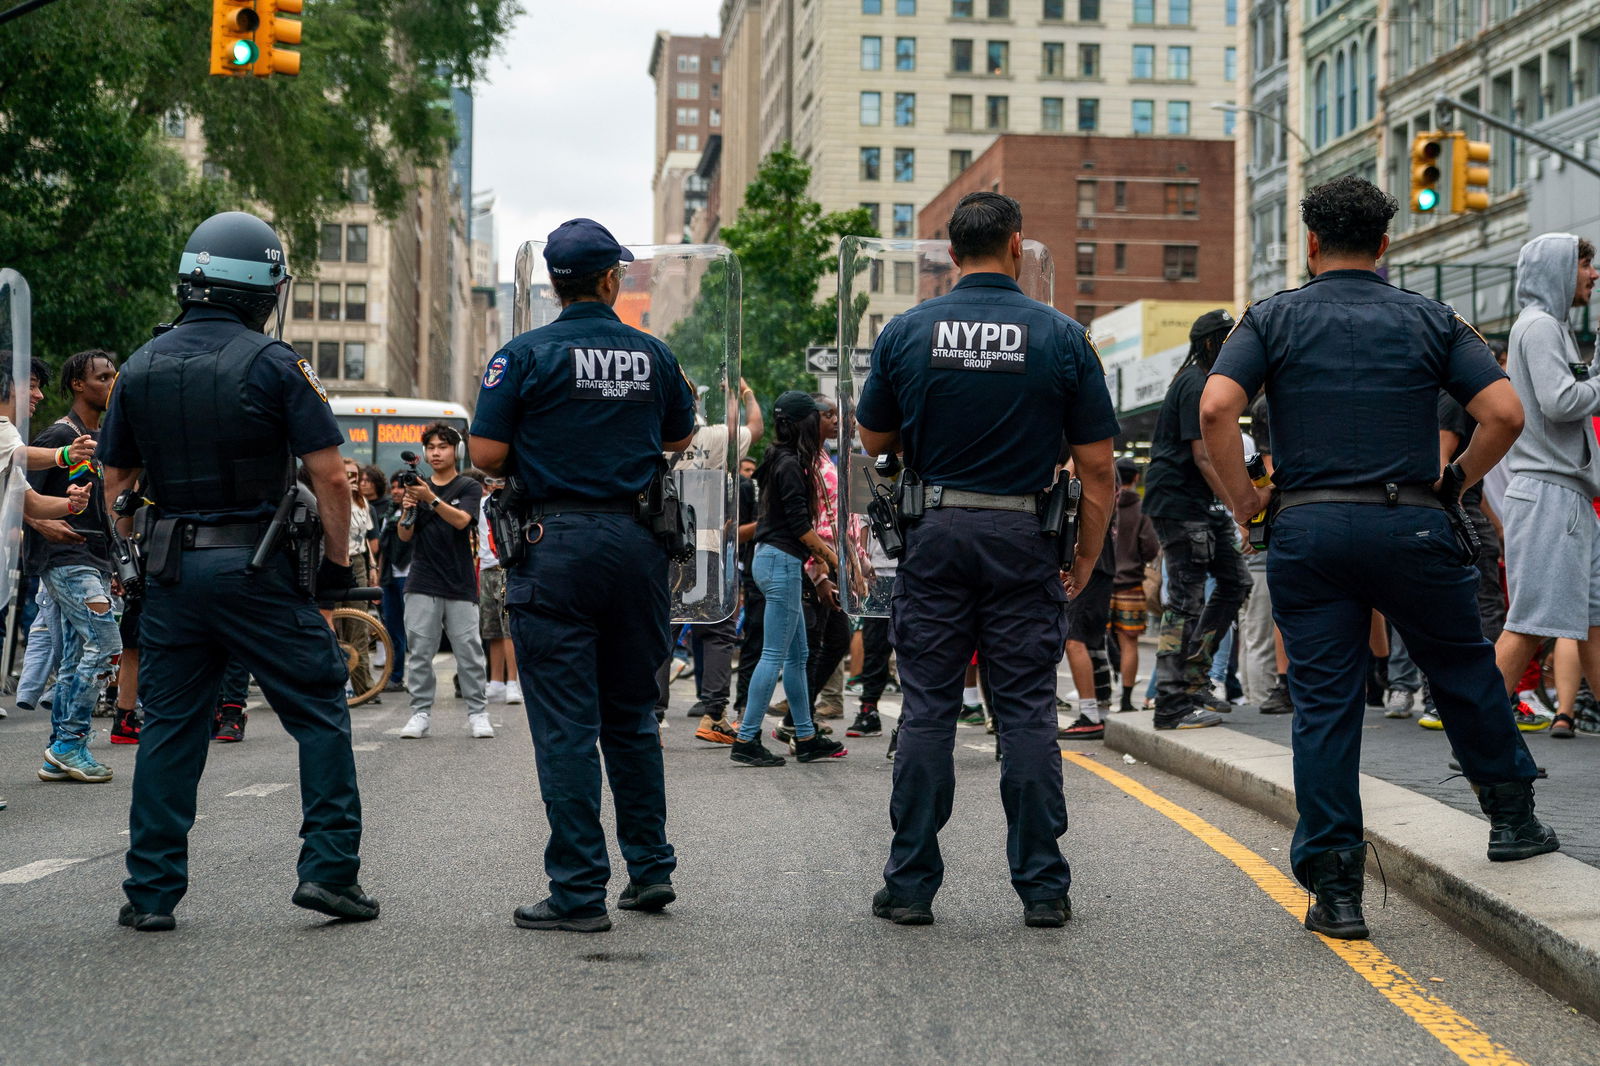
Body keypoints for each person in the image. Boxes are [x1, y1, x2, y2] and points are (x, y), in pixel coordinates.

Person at [1199, 176, 1556, 942]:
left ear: (1312, 244)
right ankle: (1512, 818)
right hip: (1415, 525)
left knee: (1326, 706)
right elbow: (1506, 413)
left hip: (1311, 528)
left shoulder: (1271, 319)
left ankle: (1338, 891)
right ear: (1387, 246)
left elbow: (1216, 407)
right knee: (1460, 669)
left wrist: (1245, 502)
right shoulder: (1432, 318)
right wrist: (1456, 481)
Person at [99, 210, 377, 929]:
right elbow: (332, 479)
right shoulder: (276, 363)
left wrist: (138, 555)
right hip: (257, 571)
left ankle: (150, 895)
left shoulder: (137, 366)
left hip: (170, 575)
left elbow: (115, 484)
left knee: (167, 729)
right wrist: (337, 576)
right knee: (319, 710)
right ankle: (329, 874)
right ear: (263, 291)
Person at [855, 191, 1118, 928]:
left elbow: (873, 442)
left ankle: (910, 885)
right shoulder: (1062, 337)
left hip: (936, 533)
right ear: (1016, 245)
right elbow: (1098, 469)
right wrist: (1088, 555)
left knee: (930, 709)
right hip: (1024, 538)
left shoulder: (907, 332)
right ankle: (1042, 887)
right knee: (1027, 710)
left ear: (948, 253)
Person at [468, 218, 698, 931]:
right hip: (635, 545)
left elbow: (485, 451)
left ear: (554, 286)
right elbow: (679, 435)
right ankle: (651, 870)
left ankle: (576, 893)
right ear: (608, 281)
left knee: (566, 727)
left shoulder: (524, 355)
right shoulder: (653, 355)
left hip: (554, 544)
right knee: (631, 716)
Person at [1492, 233, 1600, 739]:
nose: (1593, 275)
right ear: (1559, 270)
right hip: (1550, 497)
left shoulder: (1548, 327)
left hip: (1566, 497)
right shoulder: (1539, 328)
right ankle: (1478, 734)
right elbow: (1561, 402)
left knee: (1594, 622)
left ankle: (1479, 733)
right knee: (1531, 622)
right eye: (1585, 265)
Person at [23, 349, 134, 777]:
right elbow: (15, 493)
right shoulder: (57, 436)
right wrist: (41, 524)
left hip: (93, 559)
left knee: (75, 655)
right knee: (106, 645)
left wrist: (116, 563)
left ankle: (60, 751)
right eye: (102, 377)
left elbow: (103, 510)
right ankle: (70, 743)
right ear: (78, 384)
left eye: (112, 376)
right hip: (66, 559)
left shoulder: (100, 438)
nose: (111, 383)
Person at [1142, 310, 1251, 729]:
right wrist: (1239, 506)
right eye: (1227, 339)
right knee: (1185, 599)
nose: (1234, 348)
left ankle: (1193, 678)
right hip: (1180, 505)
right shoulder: (1194, 384)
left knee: (1236, 582)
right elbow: (1203, 457)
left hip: (1199, 506)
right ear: (1210, 344)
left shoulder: (1203, 382)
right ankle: (1170, 702)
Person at [732, 390, 848, 766]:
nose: (825, 420)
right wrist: (833, 560)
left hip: (778, 561)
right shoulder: (790, 465)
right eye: (819, 416)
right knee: (774, 655)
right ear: (805, 422)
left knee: (798, 657)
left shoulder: (784, 458)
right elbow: (800, 527)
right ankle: (746, 740)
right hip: (781, 562)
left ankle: (807, 735)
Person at [663, 376, 761, 744]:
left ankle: (652, 717)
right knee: (718, 628)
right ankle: (714, 715)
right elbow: (755, 427)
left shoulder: (648, 437)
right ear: (694, 405)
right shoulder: (714, 438)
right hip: (705, 545)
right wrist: (743, 391)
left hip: (664, 549)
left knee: (662, 630)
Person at [395, 423, 489, 739]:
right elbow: (404, 535)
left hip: (460, 580)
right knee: (420, 651)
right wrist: (407, 509)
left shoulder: (468, 487)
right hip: (421, 578)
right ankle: (420, 712)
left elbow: (462, 521)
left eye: (443, 446)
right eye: (431, 447)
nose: (436, 452)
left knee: (470, 651)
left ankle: (478, 712)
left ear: (455, 451)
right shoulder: (416, 488)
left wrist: (430, 498)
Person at [1109, 458, 1159, 714]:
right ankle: (1126, 700)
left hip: (1103, 583)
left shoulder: (1105, 502)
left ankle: (1099, 697)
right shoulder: (1142, 508)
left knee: (1096, 641)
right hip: (1131, 586)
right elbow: (1151, 547)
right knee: (1129, 643)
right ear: (1136, 478)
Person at [477, 475, 522, 705]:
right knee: (491, 627)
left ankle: (512, 682)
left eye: (499, 481)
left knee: (508, 630)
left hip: (505, 566)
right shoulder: (481, 504)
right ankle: (495, 680)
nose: (494, 485)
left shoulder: (514, 501)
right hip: (485, 568)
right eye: (490, 480)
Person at [374, 473, 412, 693]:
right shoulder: (388, 515)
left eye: (401, 488)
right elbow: (383, 550)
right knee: (392, 630)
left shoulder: (415, 511)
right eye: (394, 487)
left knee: (415, 631)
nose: (396, 492)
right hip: (390, 577)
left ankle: (416, 677)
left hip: (410, 576)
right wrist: (378, 578)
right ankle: (395, 676)